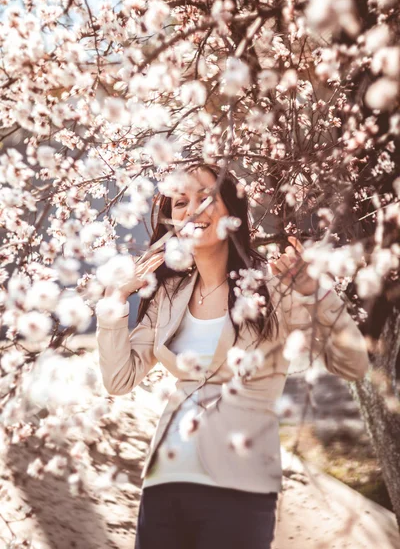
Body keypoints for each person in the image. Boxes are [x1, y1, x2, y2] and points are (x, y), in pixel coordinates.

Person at [96, 163, 369, 549]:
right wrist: (113, 305)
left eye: (206, 197)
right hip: (165, 480)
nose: (191, 210)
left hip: (240, 485)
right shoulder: (169, 295)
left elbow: (353, 365)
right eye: (180, 203)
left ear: (232, 211)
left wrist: (315, 293)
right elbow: (119, 380)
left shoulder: (273, 286)